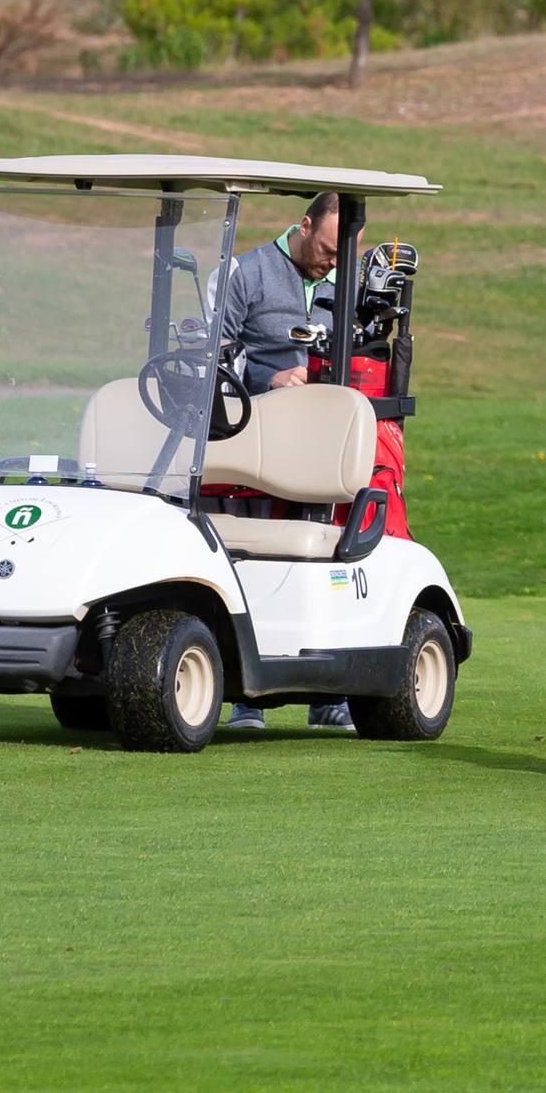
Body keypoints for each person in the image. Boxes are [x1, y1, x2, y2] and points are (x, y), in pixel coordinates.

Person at [208, 193, 357, 732]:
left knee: (327, 563)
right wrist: (268, 380)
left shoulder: (347, 280)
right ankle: (249, 699)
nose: (332, 262)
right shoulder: (246, 273)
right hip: (256, 436)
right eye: (325, 249)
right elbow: (212, 355)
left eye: (342, 255)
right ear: (303, 225)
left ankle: (329, 695)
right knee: (256, 558)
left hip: (325, 440)